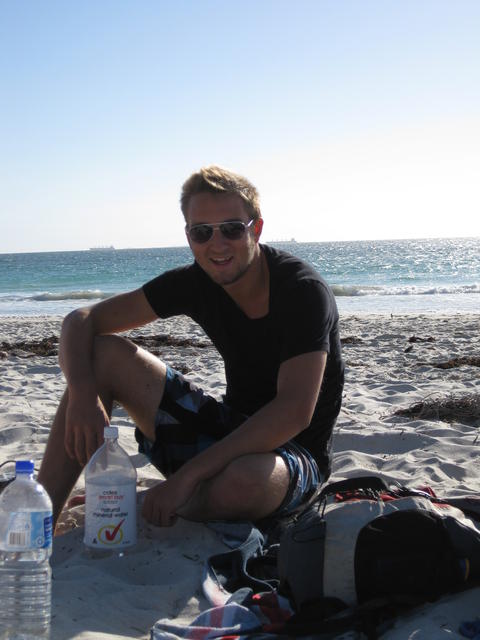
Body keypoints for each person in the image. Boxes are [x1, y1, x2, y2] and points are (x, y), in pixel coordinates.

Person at [38, 165, 344, 530]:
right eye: (202, 232)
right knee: (104, 355)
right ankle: (40, 516)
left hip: (294, 455)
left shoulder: (302, 290)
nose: (217, 244)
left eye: (232, 229)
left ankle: (138, 501)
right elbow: (81, 320)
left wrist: (187, 477)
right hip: (227, 431)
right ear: (188, 237)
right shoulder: (196, 282)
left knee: (244, 481)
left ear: (256, 229)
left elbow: (294, 411)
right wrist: (82, 394)